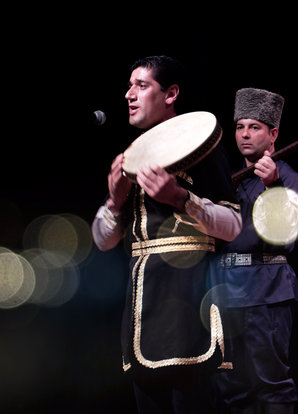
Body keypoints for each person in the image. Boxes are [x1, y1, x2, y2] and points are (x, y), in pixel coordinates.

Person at [91, 55, 242, 413]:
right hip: (143, 306)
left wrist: (180, 198)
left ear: (171, 93)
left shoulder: (202, 147)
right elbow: (103, 240)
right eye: (129, 86)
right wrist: (114, 202)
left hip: (190, 300)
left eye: (142, 86)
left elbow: (233, 226)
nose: (130, 94)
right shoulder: (130, 158)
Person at [209, 88, 298, 414]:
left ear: (273, 134)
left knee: (271, 384)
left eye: (255, 127)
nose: (245, 134)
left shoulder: (286, 177)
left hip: (266, 290)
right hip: (225, 292)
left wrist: (273, 188)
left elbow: (287, 237)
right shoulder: (227, 181)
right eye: (240, 127)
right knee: (232, 388)